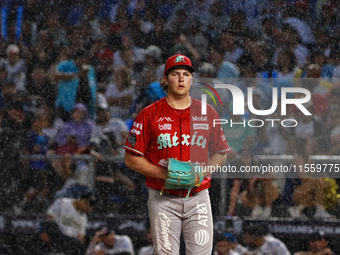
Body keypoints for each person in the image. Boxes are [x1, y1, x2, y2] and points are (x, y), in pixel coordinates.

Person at [124, 54, 229, 255]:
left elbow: (221, 153)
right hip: (163, 198)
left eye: (186, 74)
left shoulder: (207, 113)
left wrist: (203, 172)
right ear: (165, 79)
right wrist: (164, 174)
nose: (181, 79)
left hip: (198, 197)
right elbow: (131, 158)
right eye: (175, 74)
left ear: (192, 79)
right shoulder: (149, 114)